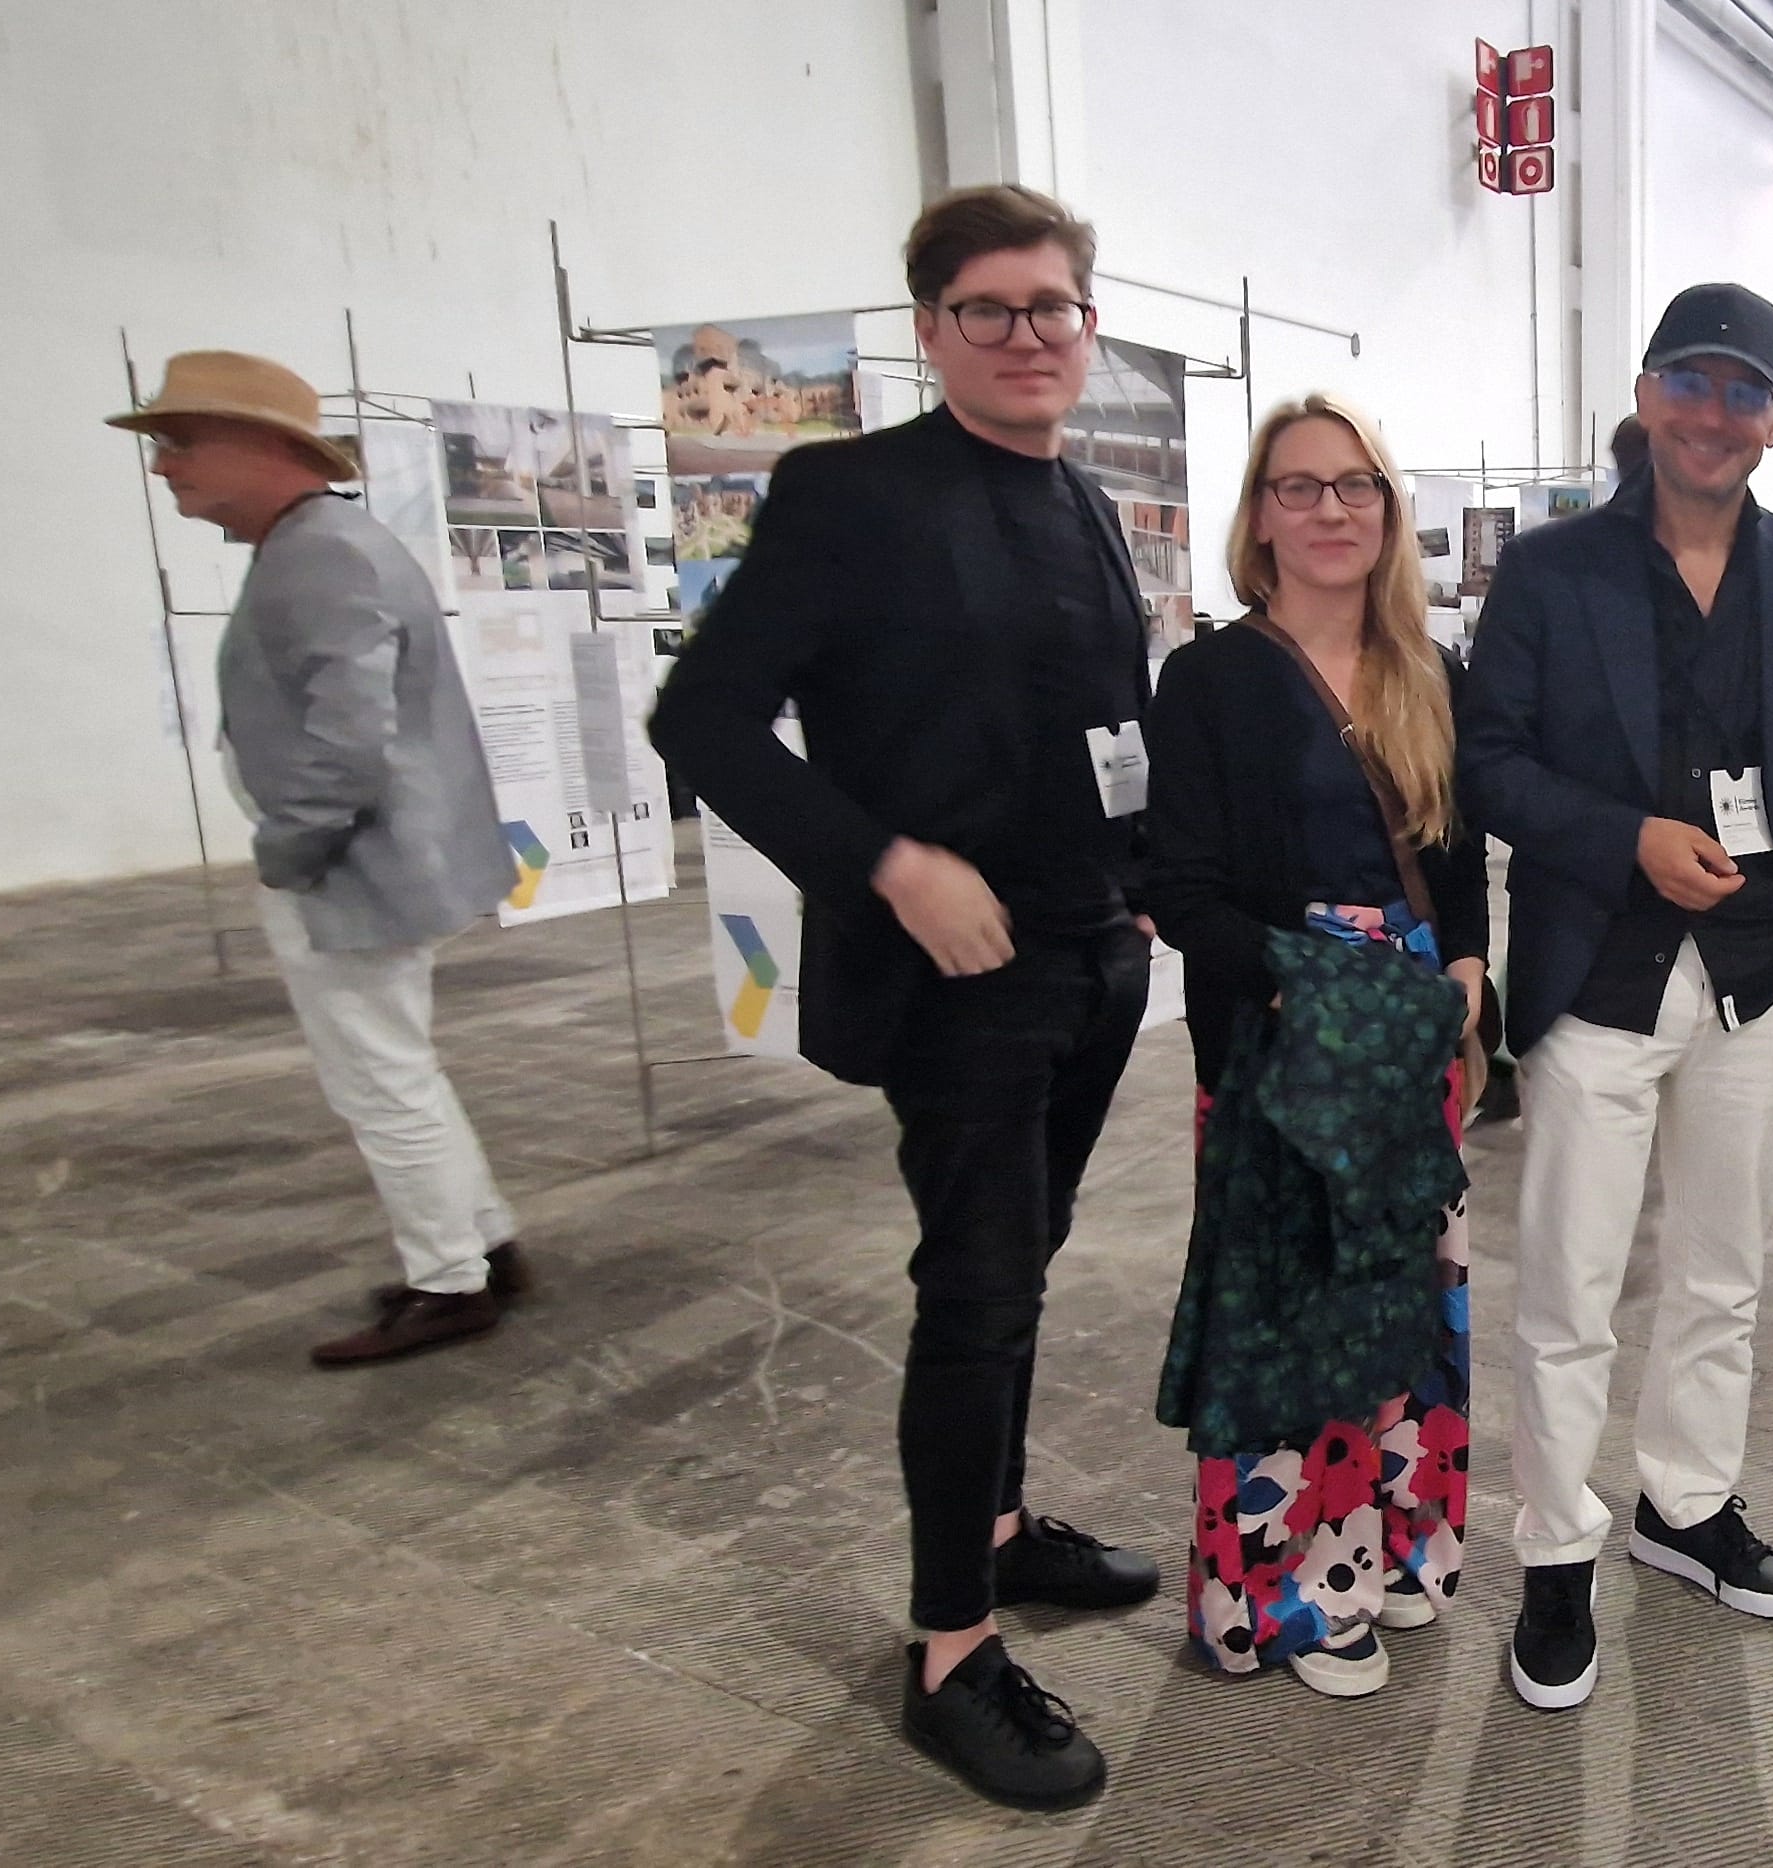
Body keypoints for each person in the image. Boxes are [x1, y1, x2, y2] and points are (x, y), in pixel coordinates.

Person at [649, 184, 1158, 1811]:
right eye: (986, 309)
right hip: (958, 978)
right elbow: (701, 722)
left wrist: (1145, 871)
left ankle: (998, 1528)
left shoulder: (1084, 499)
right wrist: (883, 864)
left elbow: (1101, 722)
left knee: (1030, 1261)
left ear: (1088, 327)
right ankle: (951, 1648)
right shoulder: (850, 495)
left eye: (1051, 307)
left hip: (1092, 956)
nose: (1024, 335)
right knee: (978, 1292)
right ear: (933, 329)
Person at [1458, 282, 1773, 1712]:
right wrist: (1624, 835)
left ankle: (1686, 1506)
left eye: (1744, 390)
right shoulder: (1552, 571)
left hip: (1759, 972)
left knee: (1723, 1270)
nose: (1714, 412)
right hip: (1601, 972)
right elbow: (1489, 761)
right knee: (1570, 1283)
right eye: (1690, 381)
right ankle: (1556, 1548)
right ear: (1646, 396)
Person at [1143, 394, 1485, 1700]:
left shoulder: (1428, 671)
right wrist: (1310, 989)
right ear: (1259, 517)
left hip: (1407, 1042)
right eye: (1299, 486)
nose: (1330, 509)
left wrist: (1465, 972)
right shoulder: (1210, 679)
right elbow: (1181, 889)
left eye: (1355, 485)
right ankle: (1288, 1595)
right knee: (1291, 1322)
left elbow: (1458, 855)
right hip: (1283, 1042)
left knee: (1406, 1299)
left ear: (1389, 510)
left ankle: (1396, 1544)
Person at [108, 351, 528, 1370]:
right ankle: (479, 1246)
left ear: (263, 445)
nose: (164, 467)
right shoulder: (323, 542)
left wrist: (287, 849)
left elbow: (348, 739)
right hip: (367, 859)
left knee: (378, 1080)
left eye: (181, 442)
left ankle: (449, 1282)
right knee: (396, 1067)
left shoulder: (321, 553)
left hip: (350, 867)